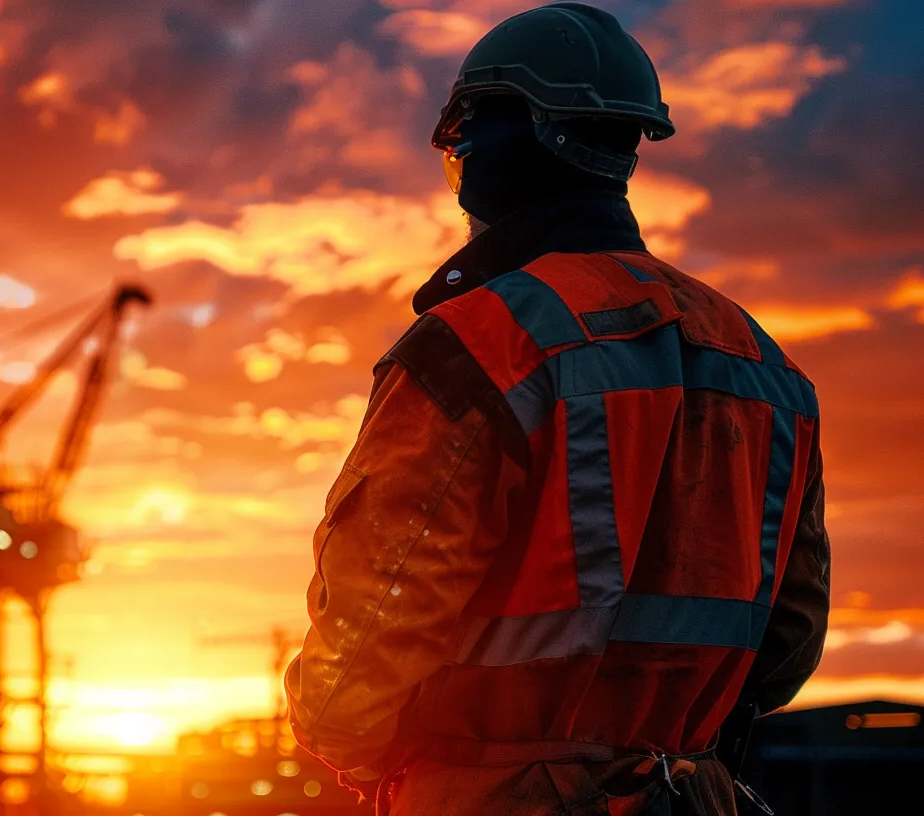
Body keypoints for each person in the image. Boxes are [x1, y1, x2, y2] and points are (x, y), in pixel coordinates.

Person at [282, 4, 831, 815]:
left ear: (514, 136)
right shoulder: (764, 366)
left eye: (464, 131)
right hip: (691, 796)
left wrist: (370, 749)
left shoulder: (474, 347)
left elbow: (363, 651)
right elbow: (785, 646)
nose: (459, 154)